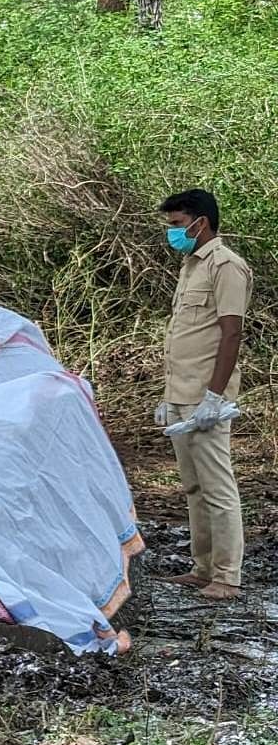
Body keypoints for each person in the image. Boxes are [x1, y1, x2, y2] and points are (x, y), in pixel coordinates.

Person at [155, 189, 252, 601]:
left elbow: (231, 333)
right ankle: (203, 568)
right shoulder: (189, 266)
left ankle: (227, 576)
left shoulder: (226, 266)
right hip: (181, 393)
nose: (172, 233)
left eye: (177, 225)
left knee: (217, 486)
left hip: (206, 398)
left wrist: (215, 396)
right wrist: (168, 394)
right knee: (194, 487)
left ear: (201, 223)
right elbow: (185, 335)